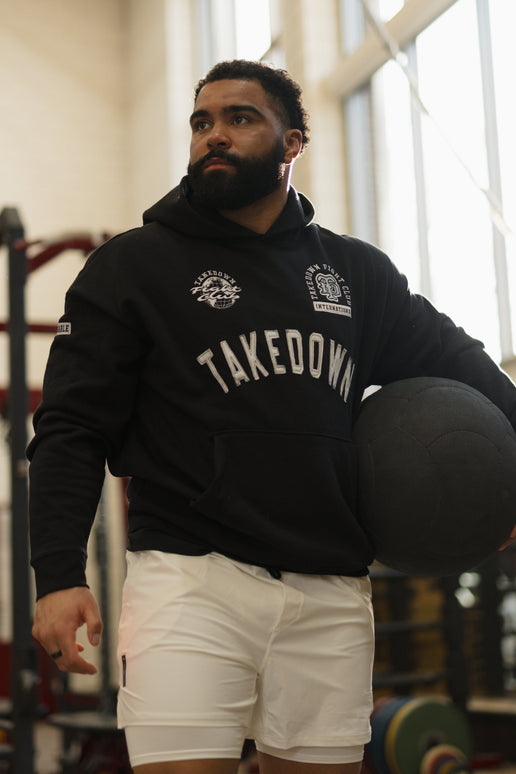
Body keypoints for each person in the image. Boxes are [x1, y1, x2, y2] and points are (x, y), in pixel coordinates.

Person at [29, 59, 516, 774]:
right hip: (190, 582)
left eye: (239, 118)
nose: (214, 136)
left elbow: (459, 363)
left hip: (329, 590)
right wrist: (58, 574)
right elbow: (71, 429)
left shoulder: (355, 276)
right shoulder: (130, 269)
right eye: (202, 122)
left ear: (292, 144)